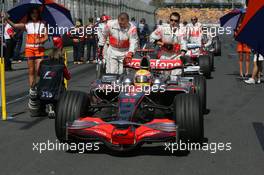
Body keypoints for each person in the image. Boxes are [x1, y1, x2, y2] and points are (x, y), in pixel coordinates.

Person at [5, 7, 48, 89]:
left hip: (40, 50)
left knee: (39, 70)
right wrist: (6, 19)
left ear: (38, 14)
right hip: (29, 50)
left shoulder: (43, 23)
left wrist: (40, 40)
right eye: (32, 13)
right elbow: (14, 25)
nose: (34, 14)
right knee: (31, 71)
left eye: (36, 13)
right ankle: (32, 89)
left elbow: (46, 37)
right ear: (30, 14)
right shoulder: (27, 24)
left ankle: (38, 86)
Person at [150, 12, 187, 79]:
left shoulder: (182, 30)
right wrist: (163, 44)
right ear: (169, 20)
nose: (173, 22)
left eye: (176, 21)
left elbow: (184, 43)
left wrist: (182, 54)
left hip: (176, 55)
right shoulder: (162, 28)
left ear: (179, 21)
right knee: (163, 77)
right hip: (164, 55)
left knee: (175, 78)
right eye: (171, 20)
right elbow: (151, 38)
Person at [235, 13, 251, 78]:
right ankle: (241, 72)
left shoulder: (249, 24)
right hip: (240, 42)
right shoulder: (238, 25)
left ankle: (247, 72)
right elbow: (236, 35)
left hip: (246, 42)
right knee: (241, 58)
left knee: (247, 58)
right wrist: (236, 32)